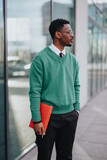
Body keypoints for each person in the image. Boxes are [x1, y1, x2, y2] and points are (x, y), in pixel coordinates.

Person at [29, 18, 80, 160]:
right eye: (69, 32)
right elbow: (34, 92)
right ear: (58, 34)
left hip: (70, 116)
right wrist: (37, 119)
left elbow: (76, 85)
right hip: (47, 118)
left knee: (66, 156)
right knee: (44, 156)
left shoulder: (73, 59)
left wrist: (76, 108)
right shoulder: (40, 59)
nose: (72, 35)